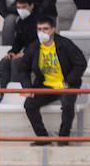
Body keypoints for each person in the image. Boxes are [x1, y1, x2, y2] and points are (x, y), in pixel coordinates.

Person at [15, 18, 85, 146]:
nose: (42, 32)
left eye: (45, 29)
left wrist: (68, 82)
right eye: (39, 29)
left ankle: (63, 139)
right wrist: (27, 87)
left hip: (66, 86)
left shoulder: (65, 44)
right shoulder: (34, 47)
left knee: (68, 105)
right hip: (45, 86)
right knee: (29, 105)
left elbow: (81, 63)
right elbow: (23, 69)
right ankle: (43, 138)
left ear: (53, 29)